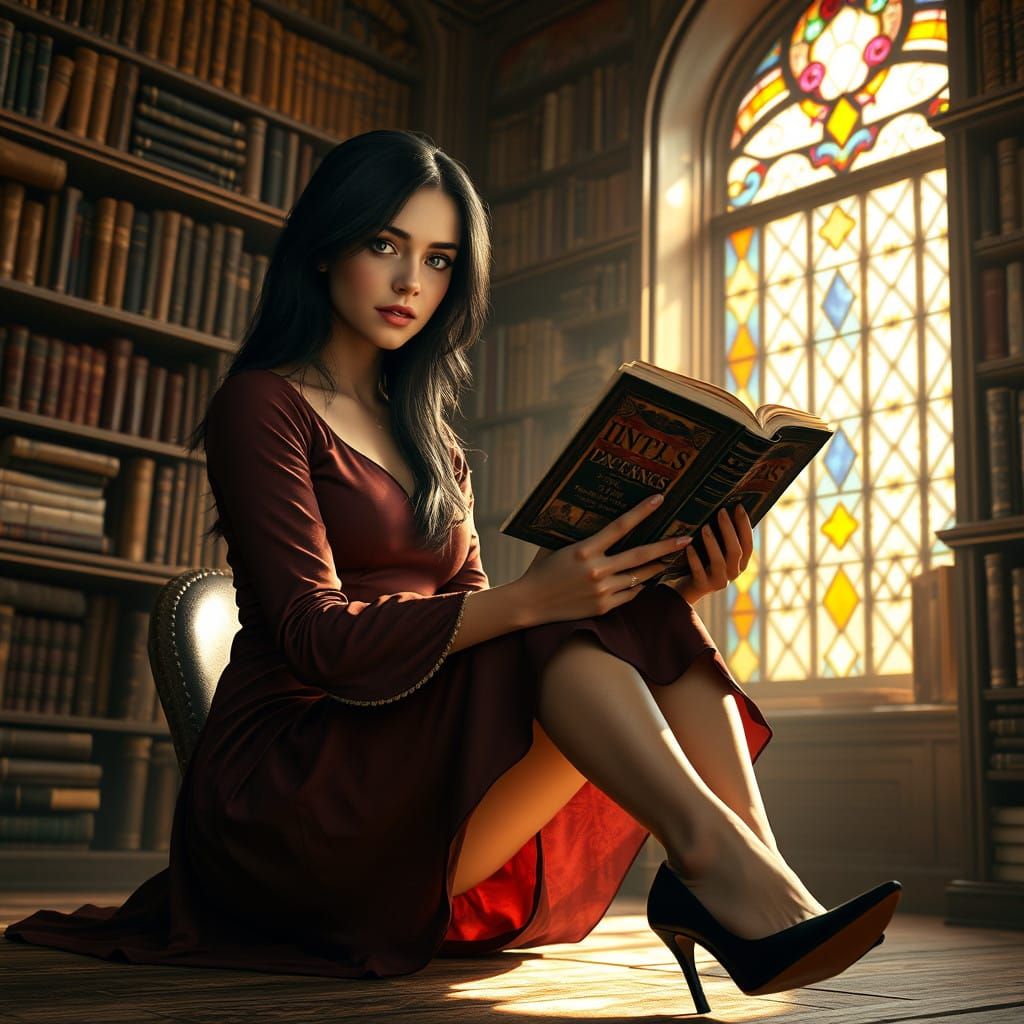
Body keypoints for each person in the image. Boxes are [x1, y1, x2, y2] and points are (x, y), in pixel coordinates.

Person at [4, 129, 896, 1009]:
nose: (409, 283)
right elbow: (314, 638)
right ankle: (722, 872)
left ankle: (756, 870)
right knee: (548, 614)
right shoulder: (261, 404)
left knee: (647, 610)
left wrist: (670, 586)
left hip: (412, 754)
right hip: (293, 791)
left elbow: (478, 620)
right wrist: (533, 600)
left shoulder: (432, 440)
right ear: (326, 247)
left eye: (438, 260)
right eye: (385, 245)